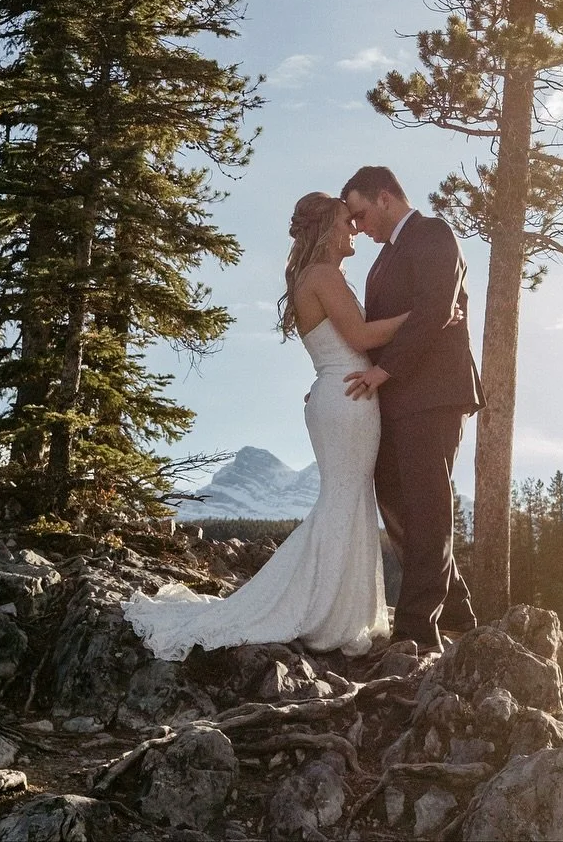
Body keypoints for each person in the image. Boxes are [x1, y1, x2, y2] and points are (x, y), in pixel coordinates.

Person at [122, 191, 405, 660]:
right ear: (326, 230)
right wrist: (422, 317)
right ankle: (322, 612)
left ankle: (335, 607)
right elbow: (359, 337)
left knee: (346, 499)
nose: (353, 228)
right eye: (345, 221)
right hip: (346, 396)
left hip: (338, 394)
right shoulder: (322, 276)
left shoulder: (312, 277)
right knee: (344, 499)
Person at [341, 166, 484, 655]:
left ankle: (418, 627)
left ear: (385, 198)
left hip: (435, 394)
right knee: (394, 497)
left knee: (427, 504)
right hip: (396, 398)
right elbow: (374, 330)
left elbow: (436, 308)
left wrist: (386, 372)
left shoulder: (433, 233)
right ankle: (461, 612)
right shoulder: (381, 263)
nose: (358, 227)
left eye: (359, 215)